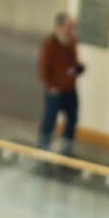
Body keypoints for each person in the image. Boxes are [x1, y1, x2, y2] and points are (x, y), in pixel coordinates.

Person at [37, 12, 82, 155]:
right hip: (55, 90)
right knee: (50, 118)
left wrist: (78, 69)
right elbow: (43, 67)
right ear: (60, 26)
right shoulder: (50, 44)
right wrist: (50, 86)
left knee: (73, 117)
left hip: (70, 87)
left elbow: (73, 64)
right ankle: (43, 145)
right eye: (69, 26)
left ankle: (67, 146)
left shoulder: (72, 42)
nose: (71, 30)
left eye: (72, 27)